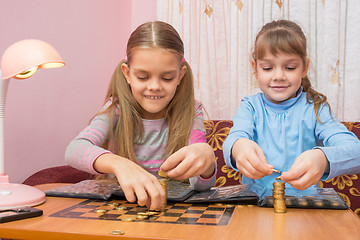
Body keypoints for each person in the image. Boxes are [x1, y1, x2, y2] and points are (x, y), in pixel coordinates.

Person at [65, 21, 216, 211]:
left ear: (180, 76)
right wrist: (119, 164)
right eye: (143, 77)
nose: (154, 86)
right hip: (120, 210)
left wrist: (206, 162)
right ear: (127, 74)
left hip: (174, 212)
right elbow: (74, 149)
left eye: (167, 78)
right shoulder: (116, 109)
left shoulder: (192, 111)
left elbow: (202, 187)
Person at [223, 19, 360, 190]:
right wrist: (239, 147)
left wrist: (322, 159)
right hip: (254, 206)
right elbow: (232, 140)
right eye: (267, 68)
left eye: (289, 67)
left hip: (305, 208)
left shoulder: (315, 108)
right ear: (255, 68)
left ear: (304, 68)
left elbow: (356, 151)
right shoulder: (250, 106)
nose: (279, 76)